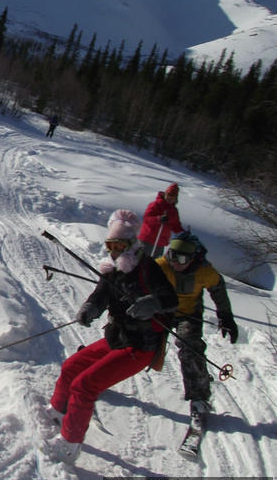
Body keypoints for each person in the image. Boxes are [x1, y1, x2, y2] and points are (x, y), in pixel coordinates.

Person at [43, 209, 178, 463]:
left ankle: (70, 444)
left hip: (140, 346)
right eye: (110, 245)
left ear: (131, 244)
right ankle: (58, 411)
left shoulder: (147, 268)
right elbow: (100, 295)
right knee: (72, 367)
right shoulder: (113, 270)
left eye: (119, 245)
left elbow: (171, 300)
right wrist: (90, 308)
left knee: (85, 385)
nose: (113, 250)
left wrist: (153, 303)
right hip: (116, 338)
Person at [156, 231, 237, 419]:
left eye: (181, 258)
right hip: (162, 311)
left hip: (188, 315)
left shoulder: (204, 271)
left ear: (192, 258)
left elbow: (218, 290)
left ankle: (199, 396)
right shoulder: (161, 265)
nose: (175, 262)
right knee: (141, 342)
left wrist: (225, 316)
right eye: (172, 255)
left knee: (189, 345)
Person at [138, 183, 184, 258]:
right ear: (165, 194)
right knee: (141, 262)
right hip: (147, 240)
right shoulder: (155, 205)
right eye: (168, 194)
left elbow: (176, 226)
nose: (170, 197)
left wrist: (183, 233)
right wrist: (158, 219)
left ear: (176, 199)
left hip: (160, 243)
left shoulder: (174, 211)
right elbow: (146, 219)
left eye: (173, 196)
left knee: (154, 265)